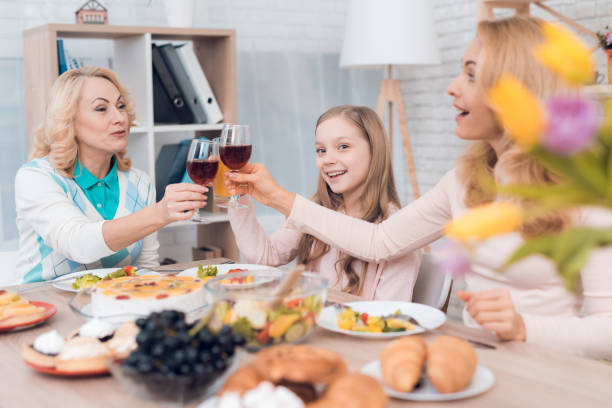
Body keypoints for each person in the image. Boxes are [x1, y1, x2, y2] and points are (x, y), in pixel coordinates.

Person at [226, 17, 612, 359]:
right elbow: (379, 242)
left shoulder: (584, 189)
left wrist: (526, 327)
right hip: (477, 361)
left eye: (471, 74)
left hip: (552, 374)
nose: (451, 87)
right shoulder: (463, 181)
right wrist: (275, 197)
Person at [15, 67, 207, 283]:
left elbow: (145, 267)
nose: (119, 118)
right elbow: (78, 243)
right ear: (69, 121)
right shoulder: (36, 178)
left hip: (112, 305)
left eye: (121, 106)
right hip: (44, 307)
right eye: (101, 108)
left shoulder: (139, 182)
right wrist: (160, 213)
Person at [228, 105, 421, 300]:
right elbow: (265, 256)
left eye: (343, 147)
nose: (327, 159)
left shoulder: (398, 230)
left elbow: (385, 317)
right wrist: (239, 194)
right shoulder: (318, 209)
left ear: (375, 150)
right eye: (321, 150)